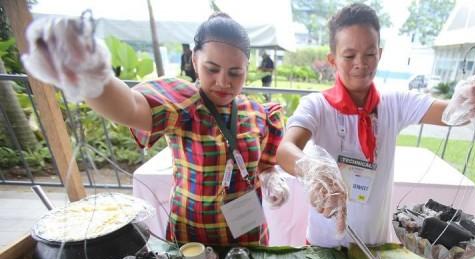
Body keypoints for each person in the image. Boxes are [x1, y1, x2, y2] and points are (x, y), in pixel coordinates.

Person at [22, 12, 289, 246]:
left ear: (247, 69)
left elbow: (265, 165)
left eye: (235, 73)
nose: (223, 82)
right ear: (195, 61)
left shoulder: (256, 113)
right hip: (194, 236)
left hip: (248, 233)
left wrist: (271, 178)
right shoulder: (186, 104)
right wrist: (91, 74)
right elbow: (131, 108)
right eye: (212, 69)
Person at [276, 3, 475, 247]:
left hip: (376, 242)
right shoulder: (317, 105)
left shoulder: (394, 103)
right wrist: (312, 168)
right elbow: (286, 149)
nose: (360, 63)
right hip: (323, 243)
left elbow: (452, 114)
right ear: (333, 60)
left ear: (379, 54)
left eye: (369, 54)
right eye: (349, 56)